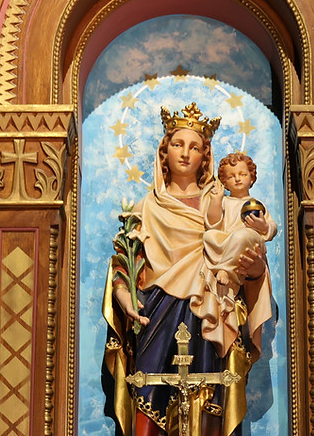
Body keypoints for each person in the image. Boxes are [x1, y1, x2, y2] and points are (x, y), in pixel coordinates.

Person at [104, 104, 273, 436]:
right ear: (164, 153)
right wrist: (125, 300)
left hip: (208, 311)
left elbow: (243, 257)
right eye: (178, 145)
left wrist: (255, 271)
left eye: (195, 147)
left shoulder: (222, 206)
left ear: (204, 157)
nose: (185, 153)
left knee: (208, 394)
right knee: (150, 392)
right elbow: (124, 266)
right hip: (155, 313)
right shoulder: (147, 207)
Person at [202, 153, 277, 356]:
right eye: (232, 175)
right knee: (209, 236)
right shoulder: (224, 201)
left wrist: (263, 226)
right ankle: (226, 269)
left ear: (252, 178)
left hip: (248, 242)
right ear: (224, 181)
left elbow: (271, 227)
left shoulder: (255, 203)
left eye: (242, 174)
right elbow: (213, 223)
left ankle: (225, 269)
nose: (237, 178)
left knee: (242, 235)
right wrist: (216, 201)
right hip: (227, 244)